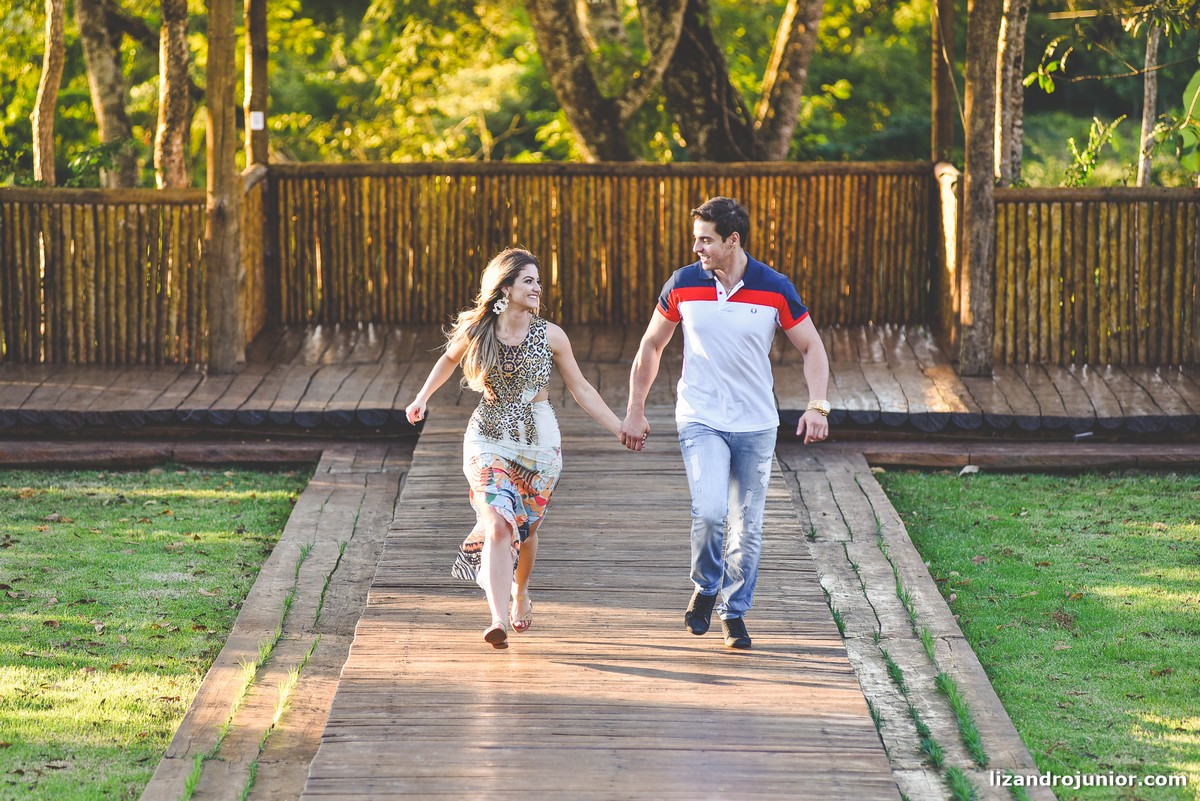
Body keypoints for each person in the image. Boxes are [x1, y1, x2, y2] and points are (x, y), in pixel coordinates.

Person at [619, 197, 831, 650]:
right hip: (700, 418)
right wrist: (636, 408)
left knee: (747, 525)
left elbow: (811, 346)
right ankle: (705, 586)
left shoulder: (774, 287)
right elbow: (651, 345)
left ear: (732, 240)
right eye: (696, 238)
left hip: (756, 424)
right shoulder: (683, 284)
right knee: (711, 511)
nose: (696, 247)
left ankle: (734, 614)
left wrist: (818, 405)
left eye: (705, 240)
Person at [406, 247, 626, 649]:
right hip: (487, 437)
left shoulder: (551, 335)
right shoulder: (478, 329)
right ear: (505, 287)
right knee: (498, 524)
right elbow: (448, 360)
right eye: (528, 280)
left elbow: (581, 388)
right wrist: (422, 397)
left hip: (538, 446)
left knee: (526, 528)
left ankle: (519, 593)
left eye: (538, 281)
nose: (538, 287)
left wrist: (619, 428)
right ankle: (495, 618)